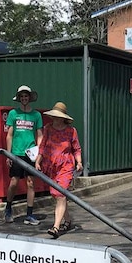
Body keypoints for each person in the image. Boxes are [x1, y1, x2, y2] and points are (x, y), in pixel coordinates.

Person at [35, 102, 82, 239]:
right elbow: (42, 147)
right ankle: (67, 220)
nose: (55, 119)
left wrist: (79, 162)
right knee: (57, 195)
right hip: (50, 166)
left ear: (63, 118)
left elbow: (76, 148)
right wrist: (38, 161)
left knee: (60, 194)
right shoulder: (48, 128)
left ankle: (56, 227)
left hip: (66, 166)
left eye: (58, 116)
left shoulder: (71, 131)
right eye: (54, 116)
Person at [5, 85, 42, 225]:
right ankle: (8, 208)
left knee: (31, 183)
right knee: (14, 182)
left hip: (30, 153)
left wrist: (39, 153)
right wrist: (8, 154)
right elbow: (9, 135)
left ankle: (29, 214)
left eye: (26, 96)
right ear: (19, 98)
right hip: (16, 153)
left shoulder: (36, 115)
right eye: (22, 96)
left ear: (30, 98)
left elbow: (40, 135)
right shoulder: (13, 114)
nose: (24, 98)